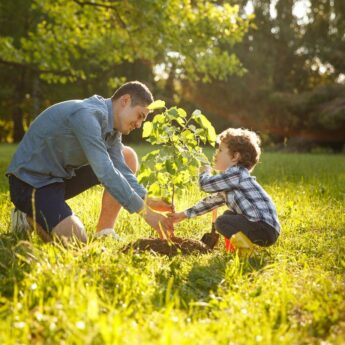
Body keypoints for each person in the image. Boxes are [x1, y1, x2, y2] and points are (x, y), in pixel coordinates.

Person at [7, 81, 173, 243]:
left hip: (59, 178)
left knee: (127, 156)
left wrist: (148, 199)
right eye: (139, 116)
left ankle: (105, 231)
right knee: (76, 240)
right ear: (125, 100)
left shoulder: (114, 131)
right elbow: (106, 172)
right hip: (30, 183)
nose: (138, 124)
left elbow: (122, 170)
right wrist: (147, 214)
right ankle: (25, 215)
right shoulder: (87, 115)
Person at [170, 128, 280, 247]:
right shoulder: (232, 180)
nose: (216, 153)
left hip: (263, 227)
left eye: (220, 150)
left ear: (235, 157)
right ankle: (235, 247)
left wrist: (204, 172)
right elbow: (211, 202)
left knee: (222, 222)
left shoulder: (236, 174)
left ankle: (245, 250)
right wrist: (184, 214)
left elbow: (205, 185)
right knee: (228, 215)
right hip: (265, 228)